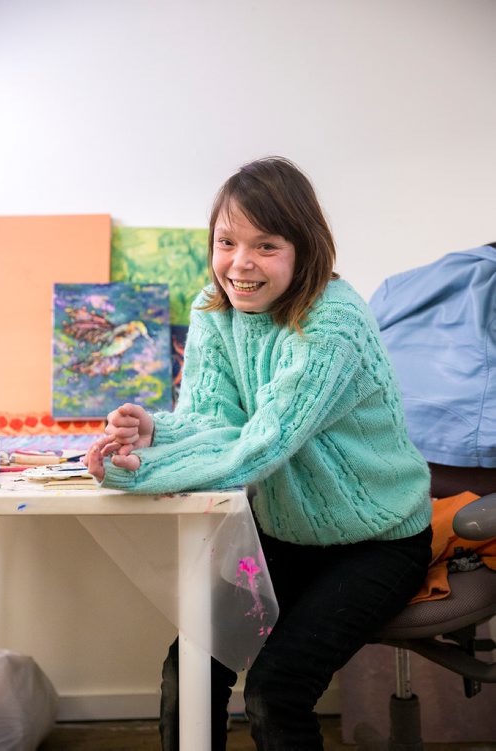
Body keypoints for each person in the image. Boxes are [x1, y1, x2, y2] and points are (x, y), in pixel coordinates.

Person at [85, 156, 433, 751]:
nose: (239, 264)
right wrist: (157, 434)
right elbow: (215, 422)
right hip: (284, 533)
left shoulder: (333, 323)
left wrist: (136, 474)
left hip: (378, 541)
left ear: (305, 249)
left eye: (265, 245)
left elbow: (263, 443)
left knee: (277, 687)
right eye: (226, 242)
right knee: (189, 671)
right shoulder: (214, 308)